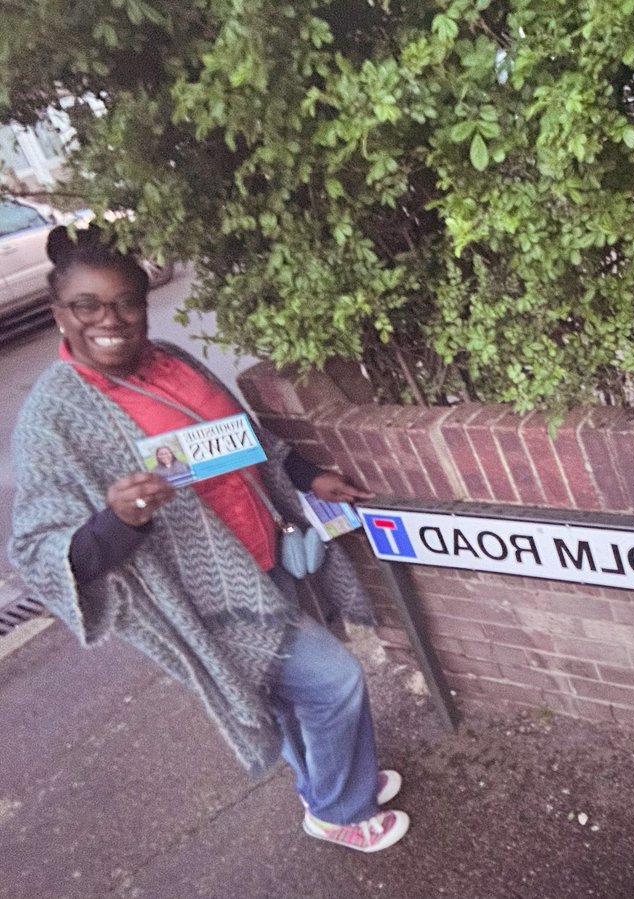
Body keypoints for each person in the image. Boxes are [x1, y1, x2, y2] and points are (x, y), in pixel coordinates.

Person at [9, 226, 409, 853]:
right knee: (334, 682)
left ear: (144, 304)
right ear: (61, 314)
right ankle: (337, 810)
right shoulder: (53, 420)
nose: (108, 319)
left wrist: (308, 477)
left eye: (125, 302)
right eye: (87, 305)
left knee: (290, 700)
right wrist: (120, 519)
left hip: (268, 553)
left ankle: (331, 784)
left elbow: (243, 439)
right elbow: (41, 555)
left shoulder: (170, 359)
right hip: (210, 601)